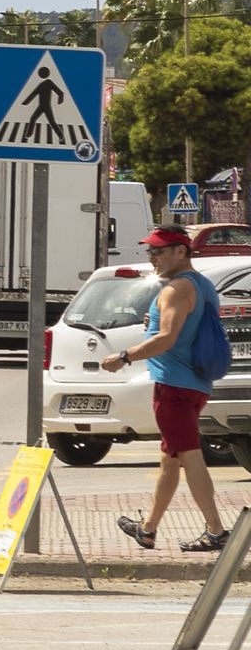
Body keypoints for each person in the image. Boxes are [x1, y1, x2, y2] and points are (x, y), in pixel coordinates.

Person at [103, 227, 233, 553]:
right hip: (196, 385)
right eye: (150, 251)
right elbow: (186, 327)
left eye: (158, 251)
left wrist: (123, 356)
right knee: (170, 460)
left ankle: (216, 531)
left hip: (174, 388)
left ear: (181, 251)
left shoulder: (176, 289)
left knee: (190, 456)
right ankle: (148, 529)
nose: (152, 257)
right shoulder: (203, 286)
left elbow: (167, 338)